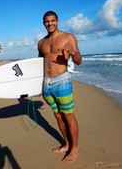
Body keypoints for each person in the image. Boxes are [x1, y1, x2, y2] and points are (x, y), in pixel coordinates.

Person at [38, 10, 82, 163]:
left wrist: (72, 53)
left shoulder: (68, 37)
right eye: (46, 21)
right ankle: (67, 143)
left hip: (62, 81)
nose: (50, 23)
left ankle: (74, 150)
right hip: (46, 83)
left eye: (52, 21)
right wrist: (37, 86)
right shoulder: (41, 43)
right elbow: (39, 65)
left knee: (68, 116)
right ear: (44, 23)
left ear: (57, 21)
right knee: (57, 116)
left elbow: (78, 60)